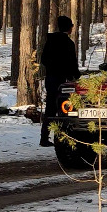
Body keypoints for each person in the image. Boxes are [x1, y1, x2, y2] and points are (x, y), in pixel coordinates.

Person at [39, 15, 79, 147]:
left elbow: (44, 59)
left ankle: (44, 137)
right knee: (65, 108)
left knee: (50, 108)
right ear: (69, 28)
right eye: (71, 26)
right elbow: (72, 64)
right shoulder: (68, 44)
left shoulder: (50, 41)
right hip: (62, 81)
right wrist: (75, 76)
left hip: (50, 79)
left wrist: (52, 69)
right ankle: (63, 137)